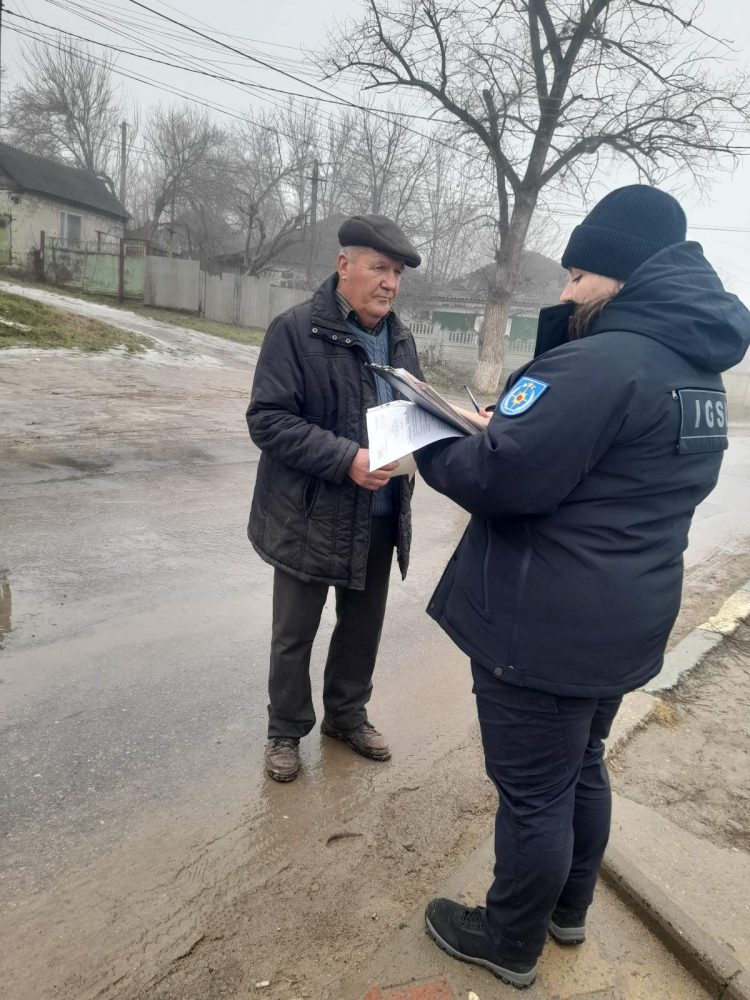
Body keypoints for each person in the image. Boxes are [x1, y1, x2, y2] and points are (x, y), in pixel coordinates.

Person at [415, 185, 750, 988]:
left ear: (621, 275)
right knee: (582, 768)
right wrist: (516, 427)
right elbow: (607, 471)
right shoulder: (698, 370)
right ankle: (566, 910)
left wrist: (426, 436)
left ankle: (508, 941)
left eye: (576, 276)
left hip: (544, 627)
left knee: (533, 794)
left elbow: (502, 479)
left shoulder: (604, 361)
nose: (564, 293)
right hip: (623, 619)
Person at [246, 214, 423, 783]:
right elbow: (268, 420)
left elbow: (414, 413)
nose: (389, 283)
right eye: (379, 267)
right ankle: (285, 730)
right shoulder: (295, 330)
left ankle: (346, 717)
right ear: (344, 265)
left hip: (379, 513)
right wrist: (347, 458)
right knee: (294, 633)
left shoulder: (400, 338)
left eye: (397, 273)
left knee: (361, 628)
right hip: (309, 516)